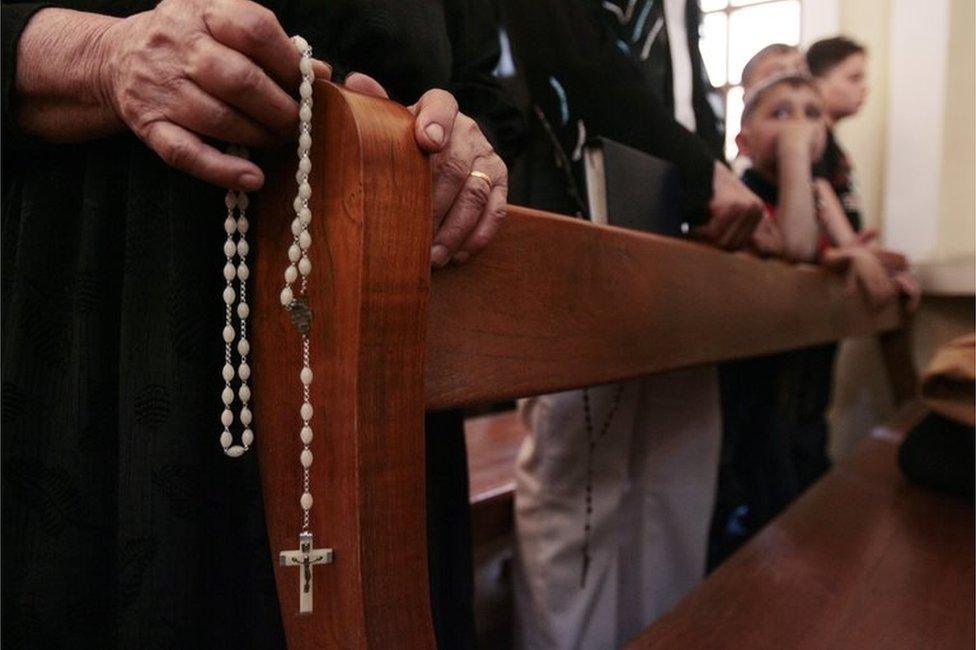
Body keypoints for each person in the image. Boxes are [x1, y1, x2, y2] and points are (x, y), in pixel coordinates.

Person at [1, 0, 523, 646]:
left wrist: (462, 150)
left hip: (386, 346)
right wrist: (105, 57)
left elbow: (482, 91)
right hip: (117, 307)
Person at [499, 0, 764, 647]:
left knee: (674, 481)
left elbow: (688, 93)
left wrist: (711, 179)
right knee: (582, 491)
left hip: (684, 237)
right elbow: (571, 54)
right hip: (582, 217)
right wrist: (704, 172)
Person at [709, 72, 909, 566]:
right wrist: (801, 158)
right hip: (748, 415)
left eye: (811, 114)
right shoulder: (743, 192)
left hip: (804, 401)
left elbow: (850, 252)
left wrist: (871, 263)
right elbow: (798, 245)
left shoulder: (820, 194)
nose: (799, 126)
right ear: (744, 141)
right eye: (780, 114)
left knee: (809, 488)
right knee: (761, 518)